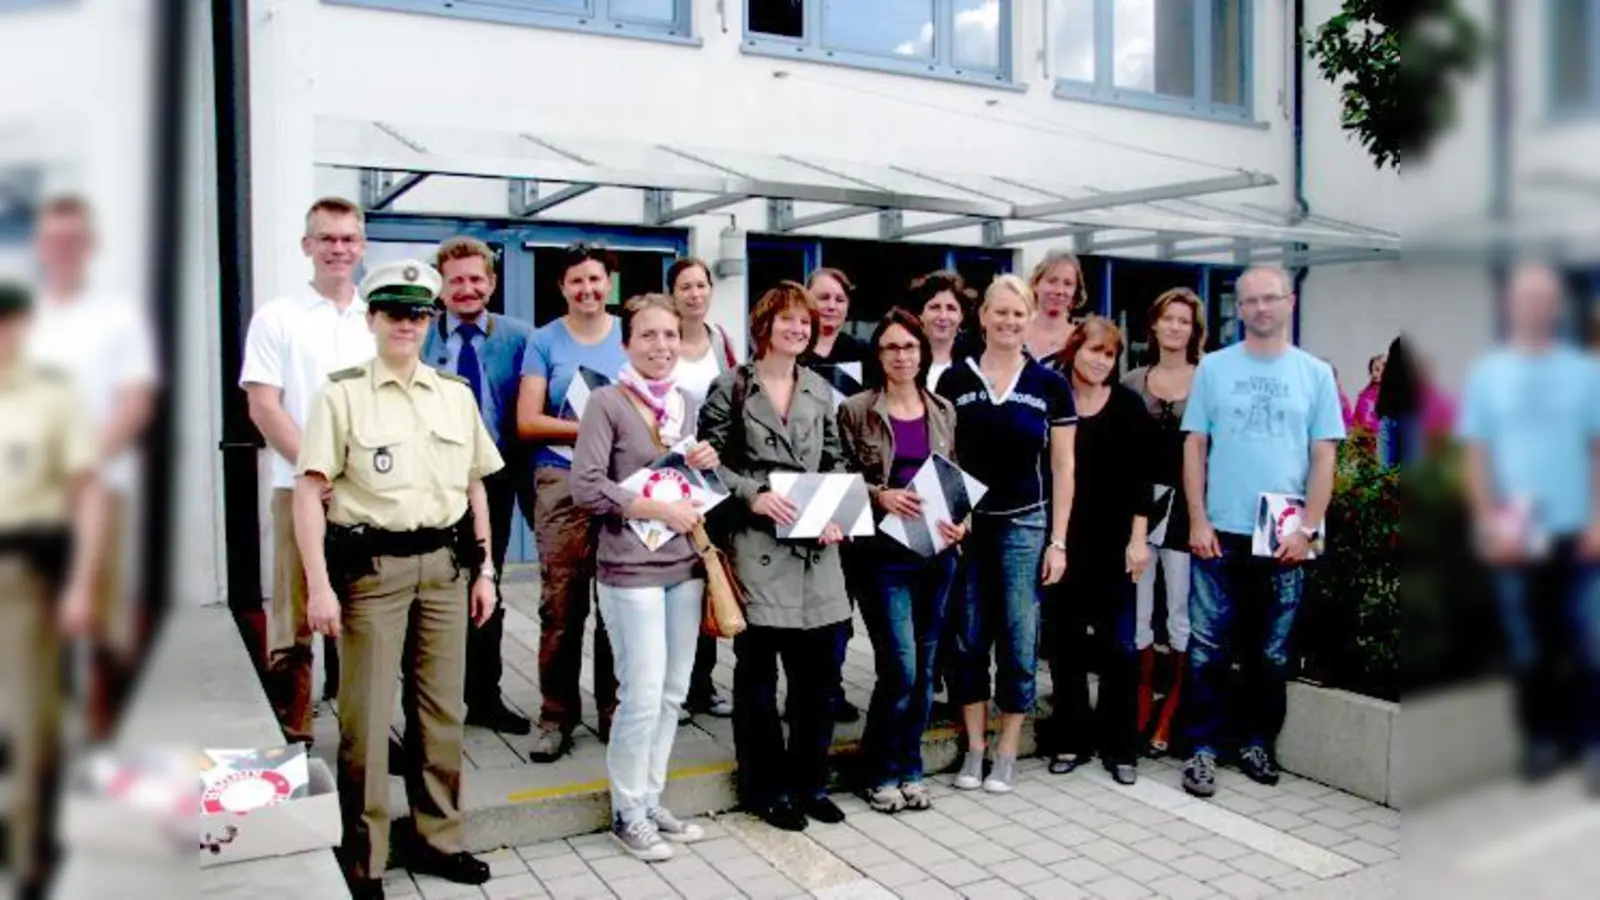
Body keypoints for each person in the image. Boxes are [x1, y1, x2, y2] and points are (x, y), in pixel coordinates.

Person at [294, 260, 501, 897]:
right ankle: (365, 860)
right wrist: (318, 586)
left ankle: (440, 840)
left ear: (430, 321)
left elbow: (474, 487)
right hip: (372, 571)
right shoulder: (341, 395)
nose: (406, 324)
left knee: (441, 713)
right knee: (366, 718)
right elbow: (309, 493)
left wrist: (487, 570)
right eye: (393, 313)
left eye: (417, 314)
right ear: (373, 319)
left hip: (444, 569)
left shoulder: (454, 394)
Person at [1179, 266, 1345, 799]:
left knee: (1270, 652)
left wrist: (1309, 529)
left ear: (1289, 302)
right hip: (1220, 531)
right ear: (1240, 308)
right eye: (1249, 300)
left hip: (1284, 536)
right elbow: (1195, 445)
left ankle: (1256, 743)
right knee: (1206, 648)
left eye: (1269, 298)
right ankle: (1202, 749)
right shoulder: (1213, 368)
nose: (1260, 308)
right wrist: (1197, 518)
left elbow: (1324, 456)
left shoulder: (1315, 374)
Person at [699, 281, 853, 832]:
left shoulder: (818, 388)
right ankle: (766, 789)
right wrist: (752, 495)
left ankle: (810, 783)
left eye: (805, 322)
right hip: (758, 544)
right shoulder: (731, 387)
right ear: (764, 325)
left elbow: (835, 460)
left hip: (815, 548)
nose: (797, 329)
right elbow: (708, 463)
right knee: (759, 679)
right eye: (787, 319)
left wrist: (835, 511)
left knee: (819, 680)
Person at [571, 294, 720, 860]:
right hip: (629, 569)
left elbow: (697, 485)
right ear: (627, 342)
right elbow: (586, 486)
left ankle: (651, 798)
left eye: (670, 335)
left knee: (673, 693)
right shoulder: (606, 402)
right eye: (649, 335)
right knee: (640, 693)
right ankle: (626, 811)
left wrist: (708, 464)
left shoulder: (687, 403)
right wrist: (656, 508)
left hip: (684, 566)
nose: (662, 346)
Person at [239, 196, 376, 747]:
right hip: (296, 487)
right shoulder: (278, 317)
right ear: (307, 246)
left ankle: (363, 735)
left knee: (363, 618)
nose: (338, 248)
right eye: (327, 238)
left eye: (348, 239)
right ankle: (293, 735)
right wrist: (321, 473)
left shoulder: (377, 321)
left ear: (362, 246)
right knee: (295, 622)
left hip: (368, 493)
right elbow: (264, 407)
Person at [1458, 263, 1600, 789]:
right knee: (1528, 649)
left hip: (1576, 530)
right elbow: (1476, 457)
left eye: (1544, 299)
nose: (1536, 308)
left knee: (1589, 643)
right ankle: (1541, 742)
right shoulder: (1487, 375)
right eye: (1526, 298)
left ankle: (1590, 745)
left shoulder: (1585, 373)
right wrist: (1486, 523)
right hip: (1515, 532)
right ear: (1510, 306)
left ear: (1556, 307)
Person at [24, 195, 159, 740]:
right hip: (28, 497)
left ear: (91, 246)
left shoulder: (118, 317)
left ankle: (106, 743)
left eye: (73, 239)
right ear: (40, 245)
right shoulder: (23, 317)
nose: (63, 249)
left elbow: (135, 401)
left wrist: (82, 463)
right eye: (54, 239)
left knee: (103, 629)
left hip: (103, 489)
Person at [938, 274, 1076, 794]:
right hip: (969, 527)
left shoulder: (1049, 385)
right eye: (1000, 312)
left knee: (1019, 637)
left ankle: (1008, 748)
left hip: (1025, 523)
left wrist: (1058, 542)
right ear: (983, 317)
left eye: (1018, 313)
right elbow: (943, 457)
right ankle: (975, 747)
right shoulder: (954, 380)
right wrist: (953, 513)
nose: (1008, 321)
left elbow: (1063, 467)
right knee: (968, 635)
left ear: (1030, 318)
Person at [0, 281, 108, 898]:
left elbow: (86, 492)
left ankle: (31, 856)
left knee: (30, 721)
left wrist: (81, 584)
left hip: (25, 574)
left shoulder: (52, 396)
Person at [837, 308, 966, 814]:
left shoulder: (943, 409)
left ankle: (910, 768)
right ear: (878, 354)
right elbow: (840, 475)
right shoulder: (857, 409)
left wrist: (962, 523)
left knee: (926, 668)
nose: (901, 355)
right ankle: (878, 771)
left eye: (909, 346)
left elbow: (954, 477)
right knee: (901, 668)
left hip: (936, 554)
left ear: (922, 352)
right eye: (891, 347)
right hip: (882, 558)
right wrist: (880, 495)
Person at [517, 243, 628, 762]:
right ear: (562, 286)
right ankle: (556, 715)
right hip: (561, 480)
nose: (587, 289)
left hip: (619, 481)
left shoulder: (629, 335)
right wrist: (593, 428)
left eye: (595, 279)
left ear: (609, 283)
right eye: (576, 281)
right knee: (561, 605)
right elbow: (528, 421)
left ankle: (614, 710)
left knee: (617, 602)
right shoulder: (545, 340)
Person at [421, 237, 534, 736]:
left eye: (476, 279)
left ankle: (485, 697)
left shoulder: (521, 338)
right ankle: (433, 702)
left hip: (496, 480)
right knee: (434, 589)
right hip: (432, 482)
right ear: (440, 286)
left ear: (492, 282)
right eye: (456, 280)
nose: (467, 289)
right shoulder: (419, 336)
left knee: (487, 582)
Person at [1042, 317, 1151, 785]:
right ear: (1074, 350)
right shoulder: (1054, 400)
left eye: (1109, 354)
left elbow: (1142, 479)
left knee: (1120, 647)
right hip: (1065, 541)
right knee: (1065, 645)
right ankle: (1070, 739)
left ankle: (1120, 746)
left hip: (1116, 544)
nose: (1102, 361)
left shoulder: (1128, 406)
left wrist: (1139, 539)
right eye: (1094, 350)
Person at [1121, 287, 1205, 758]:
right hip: (1139, 508)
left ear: (1194, 330)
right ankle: (1138, 704)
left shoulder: (1208, 379)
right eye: (1167, 318)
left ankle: (1172, 710)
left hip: (1188, 511)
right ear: (1153, 324)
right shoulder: (1133, 382)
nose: (1175, 327)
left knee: (1179, 611)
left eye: (1184, 321)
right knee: (1138, 609)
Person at [666, 257, 737, 721]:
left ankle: (702, 685)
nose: (694, 294)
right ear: (672, 294)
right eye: (685, 287)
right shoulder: (664, 338)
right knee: (674, 581)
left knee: (707, 575)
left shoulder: (722, 342)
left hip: (710, 476)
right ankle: (672, 685)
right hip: (667, 474)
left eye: (701, 285)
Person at [800, 266, 865, 724]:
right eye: (822, 297)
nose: (830, 306)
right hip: (801, 483)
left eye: (839, 299)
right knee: (806, 595)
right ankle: (802, 690)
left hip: (849, 483)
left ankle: (831, 688)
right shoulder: (792, 347)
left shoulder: (860, 353)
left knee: (842, 598)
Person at [909, 270, 974, 391]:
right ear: (919, 314)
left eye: (951, 308)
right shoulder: (904, 361)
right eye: (935, 307)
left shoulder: (974, 364)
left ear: (961, 316)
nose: (943, 316)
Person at [1025, 250, 1087, 361]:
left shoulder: (1081, 341)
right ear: (1035, 284)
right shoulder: (1016, 334)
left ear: (1075, 291)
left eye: (1068, 284)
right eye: (1052, 281)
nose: (1059, 291)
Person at [802, 267, 869, 366]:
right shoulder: (791, 348)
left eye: (840, 300)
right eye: (824, 298)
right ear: (806, 301)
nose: (832, 306)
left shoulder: (862, 352)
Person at [1352, 353, 1385, 434]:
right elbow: (1356, 421)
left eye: (1377, 370)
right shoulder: (1364, 395)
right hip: (1365, 438)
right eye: (1371, 370)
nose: (1374, 374)